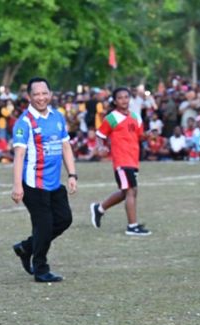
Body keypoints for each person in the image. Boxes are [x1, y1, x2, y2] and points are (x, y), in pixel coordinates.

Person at [11, 77, 77, 283]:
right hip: (33, 184)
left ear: (50, 94)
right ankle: (40, 268)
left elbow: (66, 146)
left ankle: (27, 247)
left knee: (64, 219)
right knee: (44, 225)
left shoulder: (57, 117)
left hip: (54, 183)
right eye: (36, 94)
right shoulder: (24, 123)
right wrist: (17, 185)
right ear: (29, 97)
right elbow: (19, 155)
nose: (41, 97)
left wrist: (72, 174)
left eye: (44, 93)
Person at [90, 87, 150, 236]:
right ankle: (132, 226)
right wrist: (101, 146)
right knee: (131, 191)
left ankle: (99, 208)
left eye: (126, 97)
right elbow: (100, 135)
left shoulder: (136, 117)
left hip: (133, 160)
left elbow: (140, 136)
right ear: (115, 101)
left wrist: (148, 136)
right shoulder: (112, 117)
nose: (124, 100)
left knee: (126, 192)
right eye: (120, 98)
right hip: (121, 161)